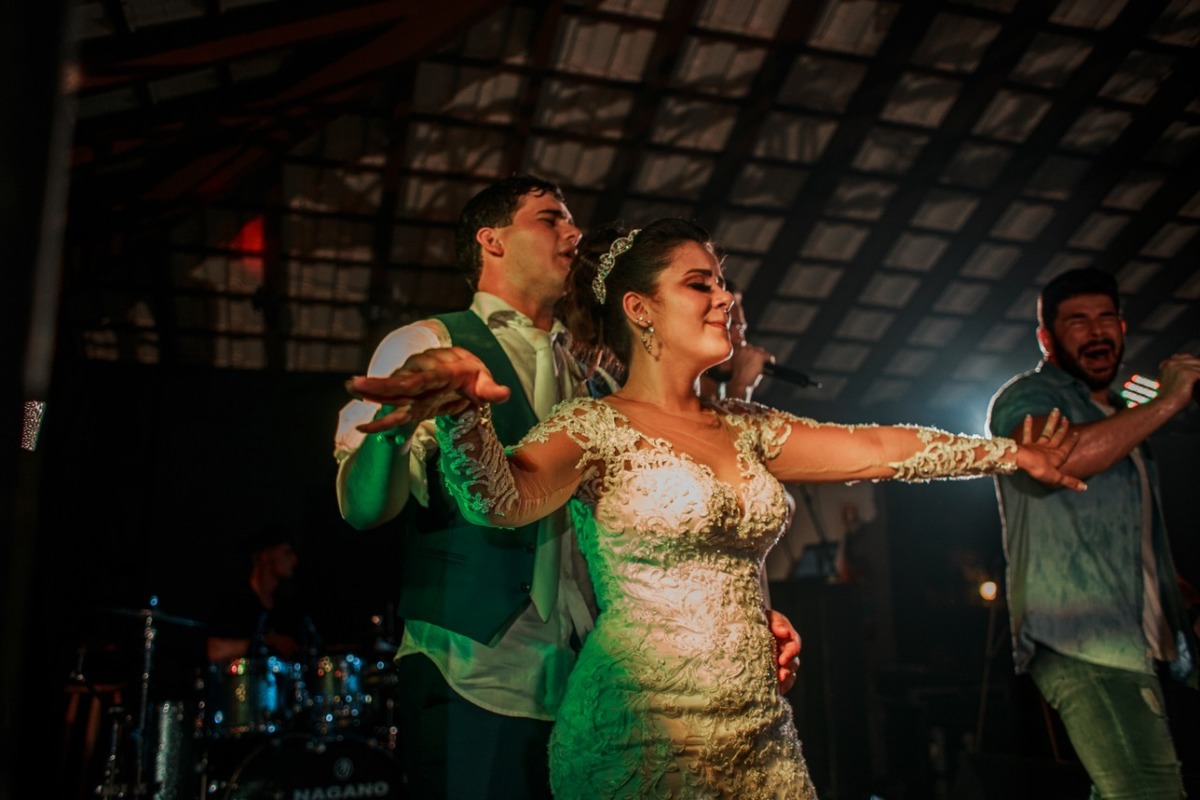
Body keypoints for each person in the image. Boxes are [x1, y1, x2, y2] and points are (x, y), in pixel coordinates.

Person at [348, 217, 1084, 798]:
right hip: (638, 736)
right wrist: (464, 416)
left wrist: (1009, 454)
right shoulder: (593, 425)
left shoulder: (747, 427)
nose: (727, 298)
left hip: (761, 736)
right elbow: (499, 500)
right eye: (700, 284)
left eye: (725, 283)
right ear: (639, 309)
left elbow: (876, 448)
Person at [333, 176, 805, 798]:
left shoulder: (597, 383)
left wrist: (733, 614)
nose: (573, 232)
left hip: (598, 693)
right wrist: (393, 430)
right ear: (492, 240)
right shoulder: (429, 342)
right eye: (550, 218)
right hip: (472, 671)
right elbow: (362, 509)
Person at [986, 266, 1200, 798]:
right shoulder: (1027, 395)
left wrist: (1178, 595)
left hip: (1151, 642)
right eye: (1077, 322)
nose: (1096, 331)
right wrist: (1167, 401)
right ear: (1047, 338)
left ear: (1123, 328)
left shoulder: (1123, 414)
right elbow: (1057, 458)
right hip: (1083, 641)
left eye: (1107, 318)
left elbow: (1130, 540)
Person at [205, 523, 313, 664]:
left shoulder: (286, 606)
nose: (294, 560)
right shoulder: (234, 600)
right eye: (287, 552)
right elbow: (215, 651)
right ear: (267, 555)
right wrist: (267, 642)